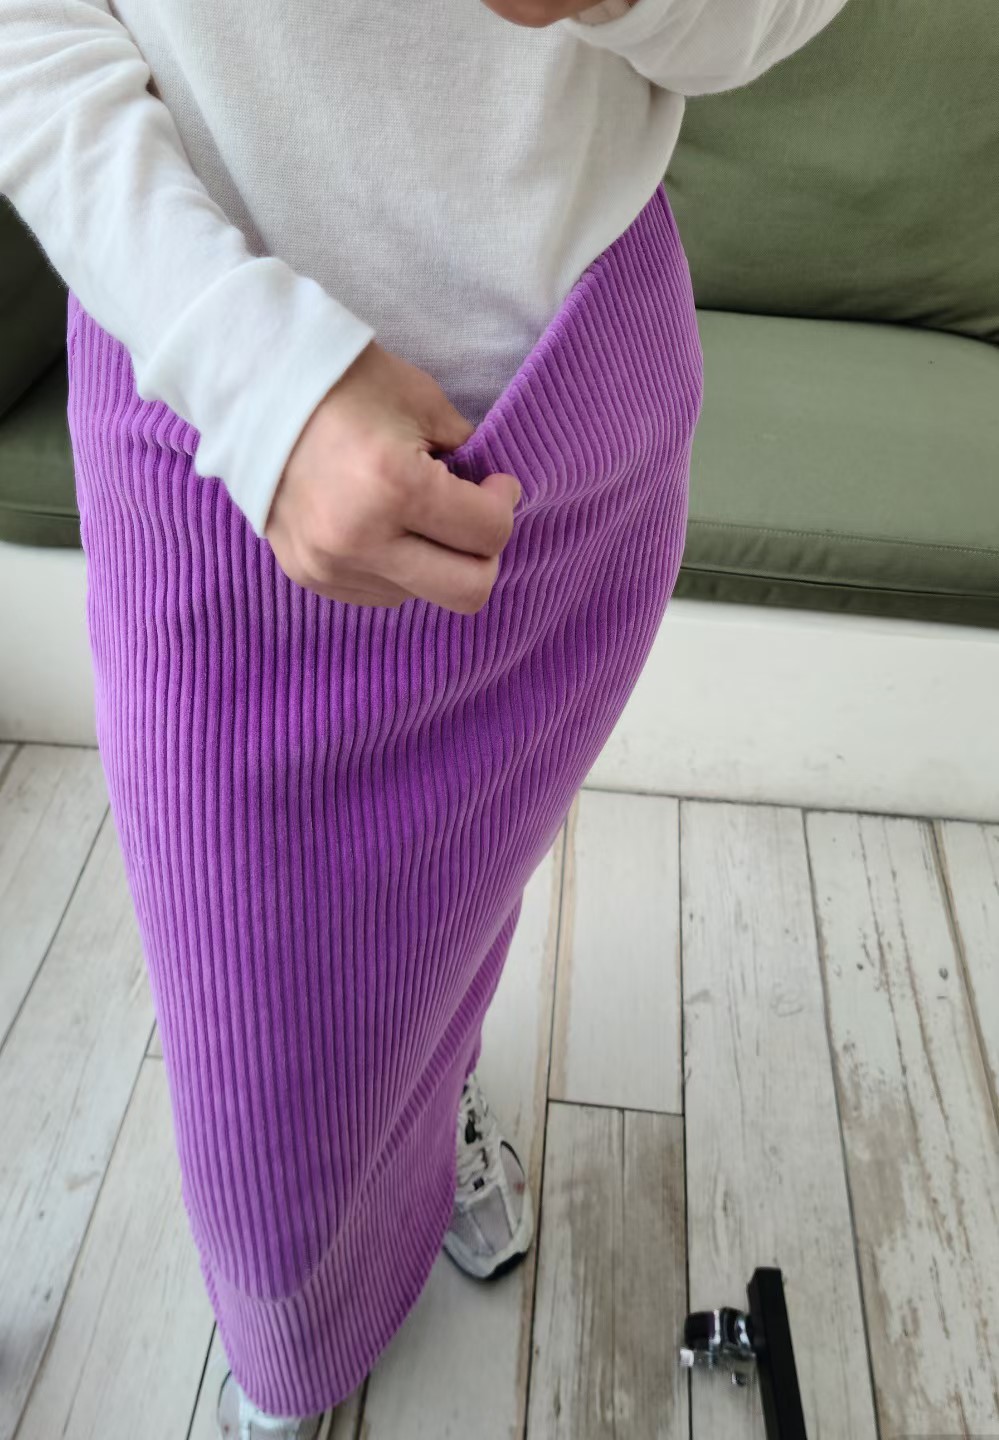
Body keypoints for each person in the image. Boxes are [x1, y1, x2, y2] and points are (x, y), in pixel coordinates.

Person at [0, 0, 846, 1434]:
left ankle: (424, 1098)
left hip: (569, 423)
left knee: (453, 910)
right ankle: (287, 1370)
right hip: (206, 423)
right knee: (257, 1087)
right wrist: (251, 369)